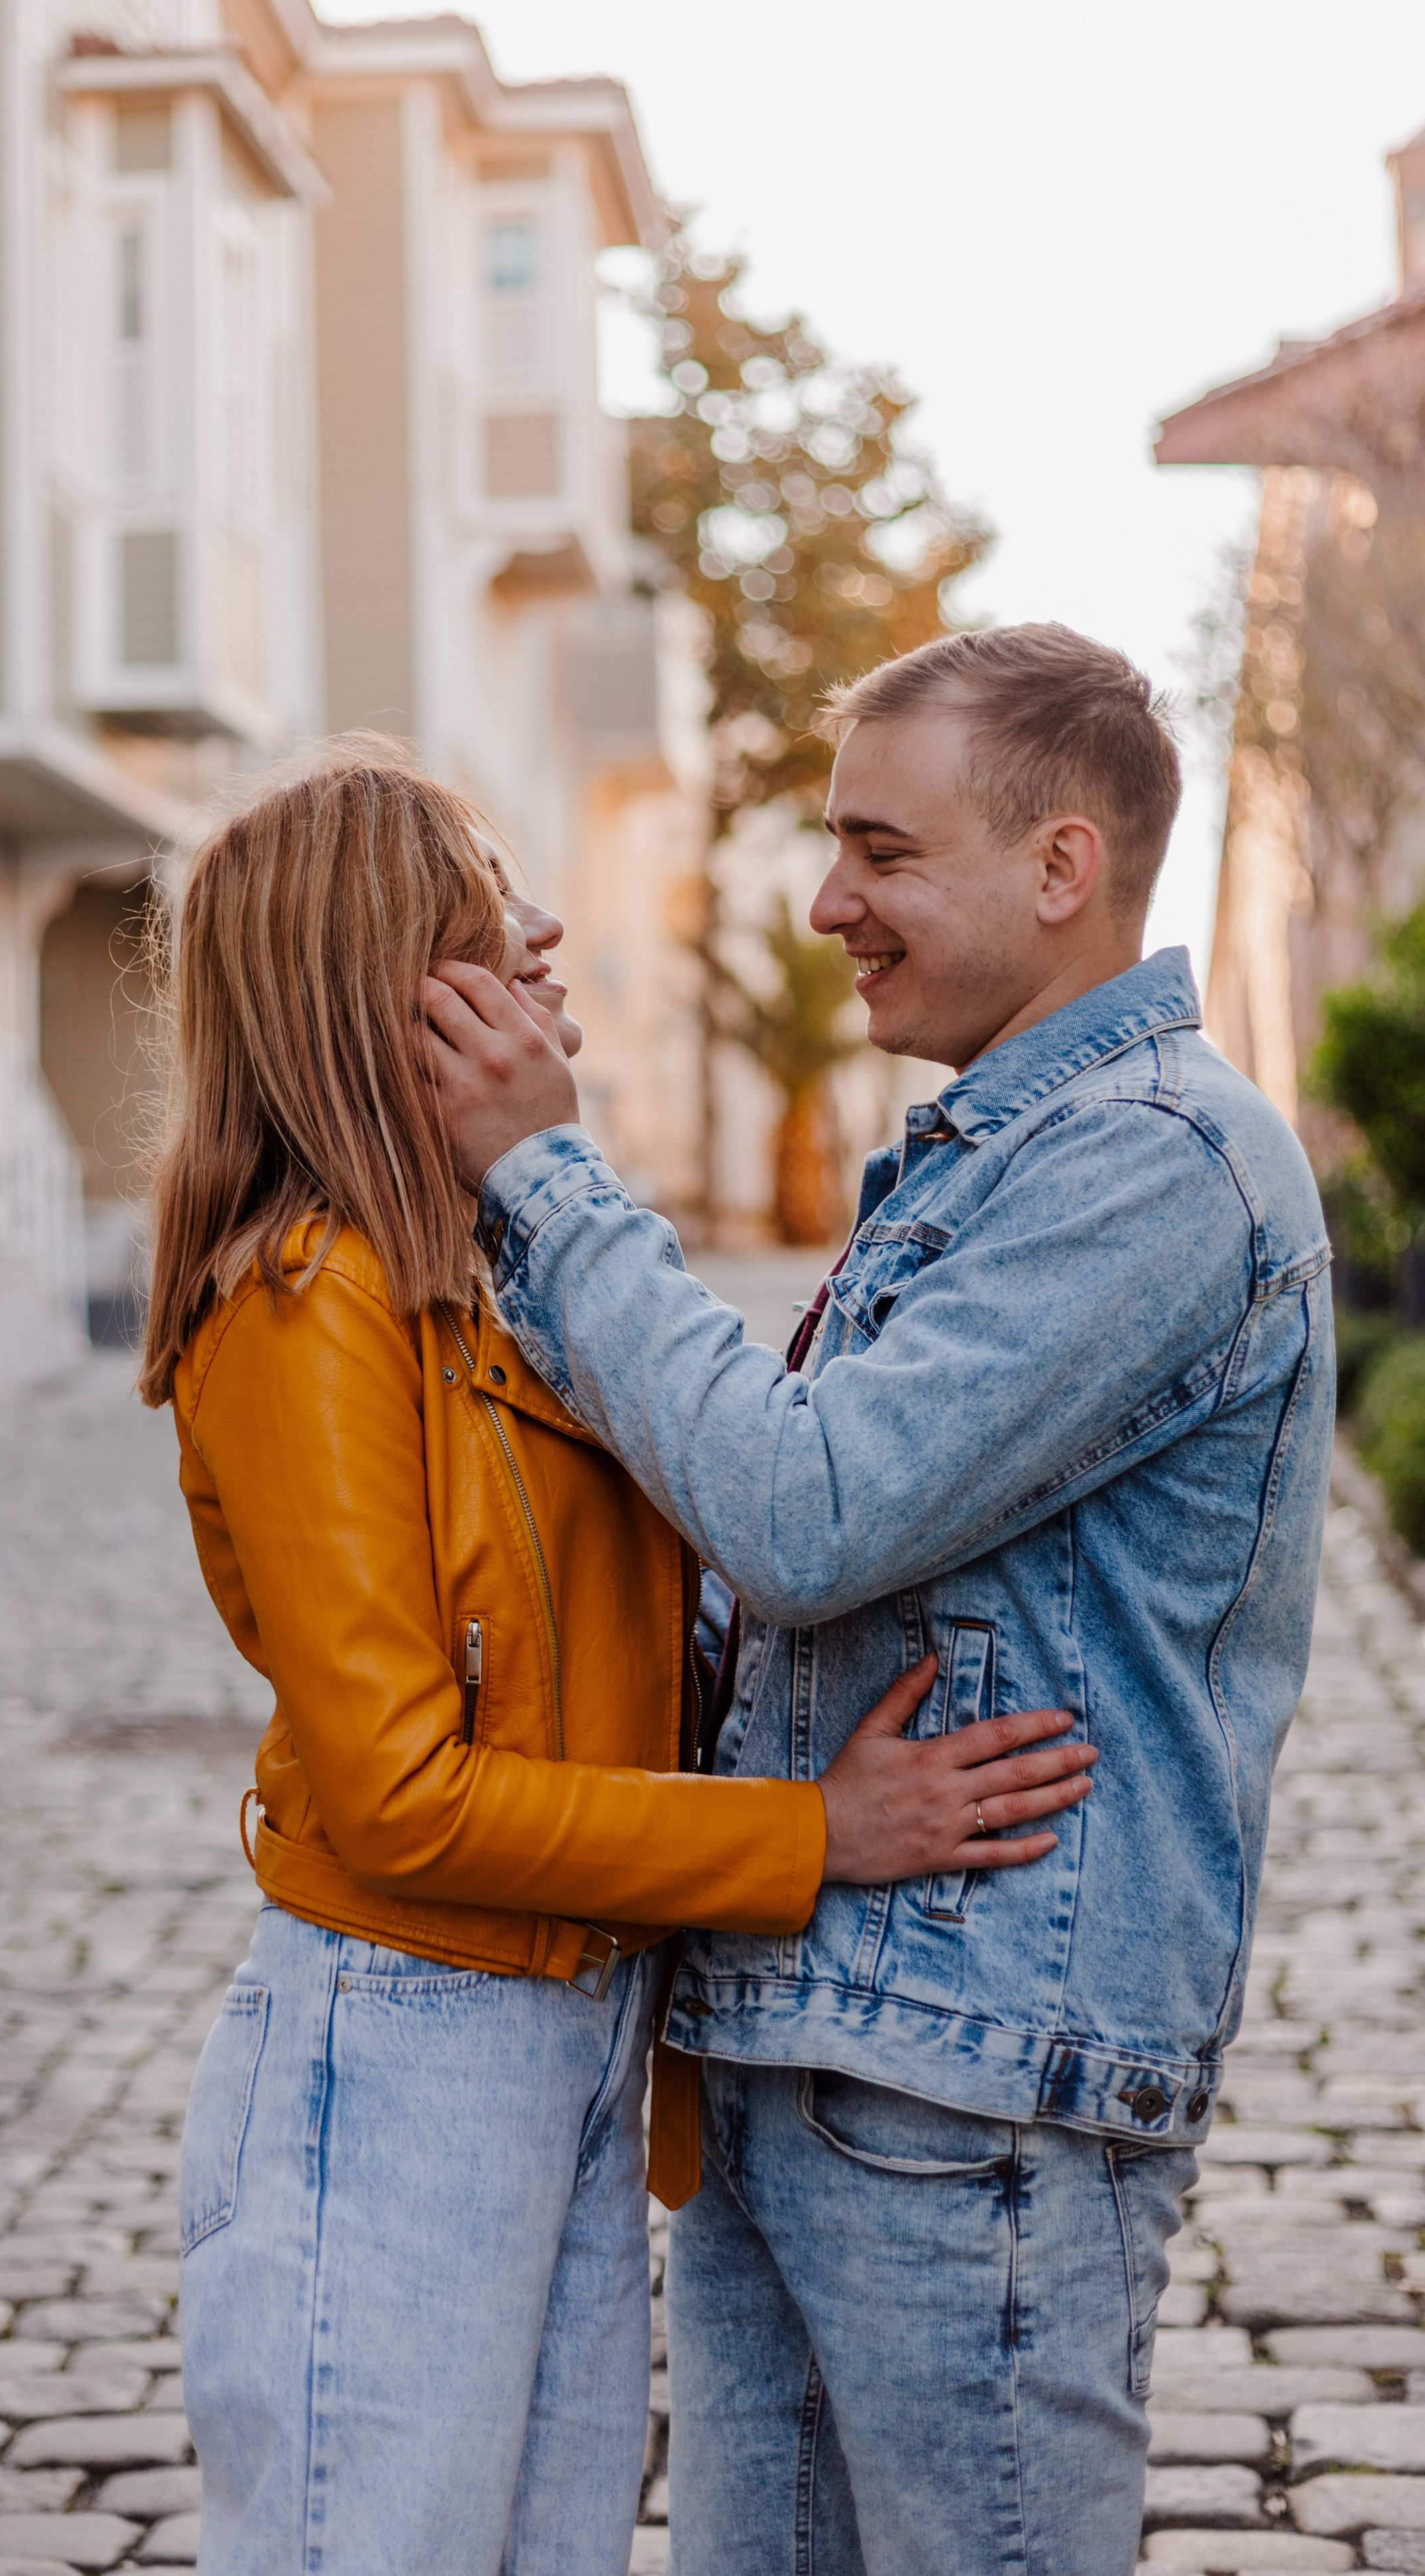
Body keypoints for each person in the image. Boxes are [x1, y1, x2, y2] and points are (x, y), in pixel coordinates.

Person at [423, 627, 1336, 2576]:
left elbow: (809, 1513)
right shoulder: (988, 1154)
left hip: (972, 2084)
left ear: (1061, 868)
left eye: (882, 852)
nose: (832, 902)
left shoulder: (1160, 1167)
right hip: (815, 2040)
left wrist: (549, 1180)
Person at [136, 741, 1094, 2576]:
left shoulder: (485, 1275)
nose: (544, 936)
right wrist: (818, 1840)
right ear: (372, 981)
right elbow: (400, 1797)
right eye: (482, 915)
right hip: (401, 2043)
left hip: (574, 2032)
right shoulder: (304, 1298)